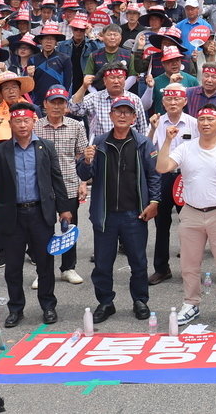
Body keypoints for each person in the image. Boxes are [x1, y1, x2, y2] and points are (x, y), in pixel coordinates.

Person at [154, 100, 216, 326]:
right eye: (202, 119)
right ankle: (191, 303)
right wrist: (167, 139)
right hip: (191, 212)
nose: (205, 123)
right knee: (189, 263)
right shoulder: (185, 147)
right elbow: (162, 167)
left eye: (210, 119)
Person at [0, 103, 73, 327]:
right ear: (11, 123)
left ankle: (48, 306)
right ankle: (15, 308)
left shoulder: (46, 147)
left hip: (40, 214)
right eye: (17, 121)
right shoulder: (0, 151)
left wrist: (64, 209)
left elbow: (57, 179)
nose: (22, 125)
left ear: (34, 121)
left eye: (26, 121)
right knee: (13, 266)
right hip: (12, 216)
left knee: (45, 263)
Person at [78, 99, 161, 324]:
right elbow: (85, 174)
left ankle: (140, 300)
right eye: (118, 112)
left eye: (127, 112)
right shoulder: (99, 142)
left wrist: (154, 201)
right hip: (105, 214)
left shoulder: (143, 143)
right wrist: (86, 161)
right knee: (103, 264)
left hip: (134, 214)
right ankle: (105, 302)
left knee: (139, 262)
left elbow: (154, 175)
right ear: (111, 115)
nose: (122, 116)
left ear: (134, 118)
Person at [34, 86, 89, 286]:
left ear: (66, 106)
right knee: (42, 230)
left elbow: (82, 155)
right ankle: (43, 272)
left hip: (69, 183)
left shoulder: (76, 126)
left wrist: (83, 182)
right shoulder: (35, 126)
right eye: (53, 102)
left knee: (69, 228)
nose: (57, 107)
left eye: (61, 102)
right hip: (41, 187)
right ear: (45, 105)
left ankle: (68, 268)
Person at [146, 83, 197, 285]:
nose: (173, 102)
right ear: (163, 101)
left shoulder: (194, 123)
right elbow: (148, 147)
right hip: (163, 176)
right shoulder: (157, 122)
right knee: (161, 224)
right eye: (169, 99)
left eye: (177, 99)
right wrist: (152, 129)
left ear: (184, 101)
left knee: (189, 225)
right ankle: (161, 268)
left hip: (187, 177)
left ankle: (189, 268)